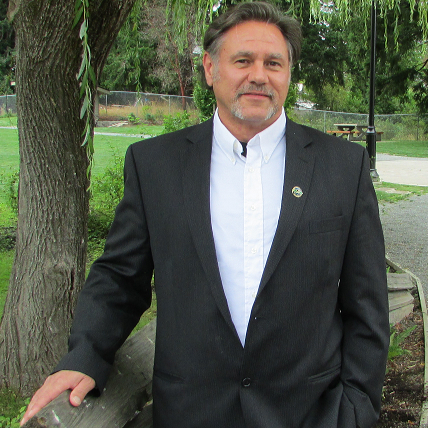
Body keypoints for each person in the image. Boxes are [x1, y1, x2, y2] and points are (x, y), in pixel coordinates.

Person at [21, 2, 389, 427]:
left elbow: (367, 303)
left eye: (273, 62)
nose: (259, 75)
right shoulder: (154, 165)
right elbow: (120, 277)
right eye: (243, 60)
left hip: (309, 415)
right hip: (191, 413)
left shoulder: (343, 168)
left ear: (289, 72)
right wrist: (84, 356)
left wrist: (357, 409)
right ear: (210, 68)